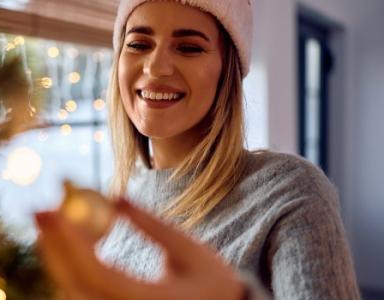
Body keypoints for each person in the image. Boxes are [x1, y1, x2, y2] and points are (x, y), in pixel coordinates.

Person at [34, 0, 361, 299]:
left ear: (226, 73)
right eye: (138, 44)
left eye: (189, 47)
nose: (156, 68)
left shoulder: (291, 192)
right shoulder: (117, 202)